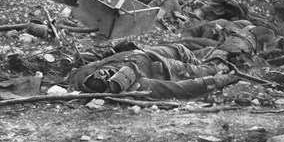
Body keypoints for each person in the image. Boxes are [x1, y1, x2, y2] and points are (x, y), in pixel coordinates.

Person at [67, 43, 239, 99]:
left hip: (146, 51)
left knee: (181, 48)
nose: (102, 75)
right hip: (162, 66)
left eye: (95, 76)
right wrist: (212, 81)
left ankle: (209, 54)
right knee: (206, 69)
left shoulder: (80, 75)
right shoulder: (135, 84)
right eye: (103, 80)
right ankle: (225, 60)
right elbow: (175, 89)